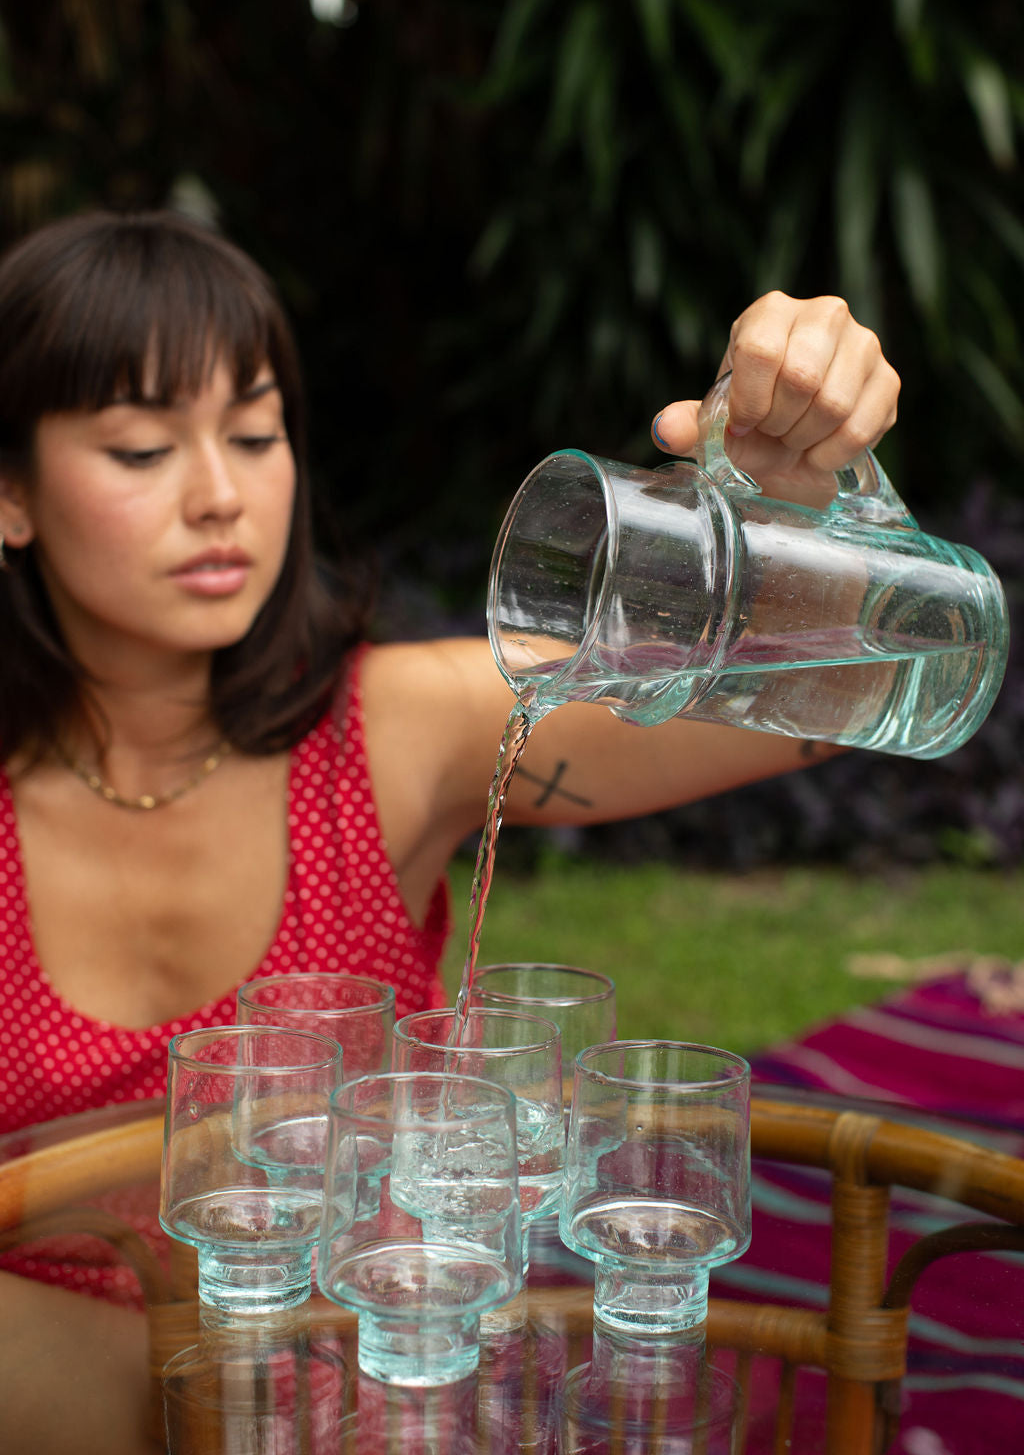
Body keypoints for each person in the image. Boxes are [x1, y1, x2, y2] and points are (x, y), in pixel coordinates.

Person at [0, 208, 900, 1452]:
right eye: (143, 448)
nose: (220, 496)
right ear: (11, 492)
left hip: (393, 1401)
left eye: (255, 434)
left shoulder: (385, 738)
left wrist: (800, 501)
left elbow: (834, 697)